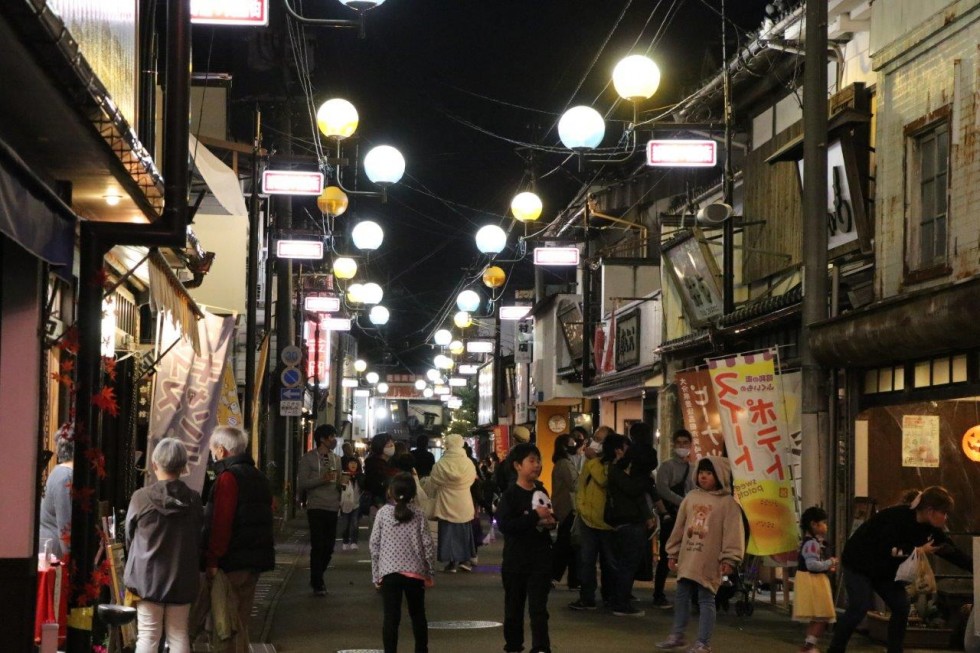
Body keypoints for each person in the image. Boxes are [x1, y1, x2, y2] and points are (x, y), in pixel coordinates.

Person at [828, 486, 972, 653]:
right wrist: (918, 550)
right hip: (859, 562)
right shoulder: (897, 518)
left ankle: (895, 651)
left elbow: (950, 551)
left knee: (901, 606)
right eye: (944, 513)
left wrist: (973, 566)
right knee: (859, 606)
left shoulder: (931, 529)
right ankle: (835, 649)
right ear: (930, 511)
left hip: (885, 570)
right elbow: (888, 548)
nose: (946, 518)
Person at [657, 456, 745, 653]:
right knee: (681, 595)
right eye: (701, 473)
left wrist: (730, 558)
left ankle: (703, 642)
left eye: (709, 473)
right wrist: (673, 552)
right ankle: (677, 635)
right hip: (689, 556)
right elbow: (680, 526)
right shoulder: (691, 498)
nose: (703, 477)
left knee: (706, 598)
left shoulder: (728, 503)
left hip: (710, 559)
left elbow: (733, 532)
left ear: (720, 476)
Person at [124, 438, 203, 653]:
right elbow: (198, 536)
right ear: (184, 466)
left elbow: (129, 537)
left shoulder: (141, 498)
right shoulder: (194, 500)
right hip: (182, 576)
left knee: (148, 635)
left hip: (147, 577)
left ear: (154, 463)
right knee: (179, 635)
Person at [204, 426, 275, 653]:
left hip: (231, 561)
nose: (213, 455)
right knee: (241, 622)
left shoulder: (228, 478)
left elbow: (221, 522)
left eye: (214, 450)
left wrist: (213, 560)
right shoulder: (259, 476)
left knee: (225, 625)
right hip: (254, 560)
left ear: (222, 451)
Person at [496, 443, 557, 653]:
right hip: (516, 560)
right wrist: (534, 517)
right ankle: (513, 646)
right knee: (514, 608)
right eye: (531, 461)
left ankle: (541, 647)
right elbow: (505, 526)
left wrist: (550, 522)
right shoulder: (510, 494)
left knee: (539, 608)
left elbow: (549, 514)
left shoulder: (541, 490)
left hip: (540, 558)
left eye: (538, 460)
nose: (537, 465)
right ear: (517, 466)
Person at [370, 473, 436, 653]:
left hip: (389, 573)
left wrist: (376, 575)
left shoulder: (383, 513)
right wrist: (429, 572)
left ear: (390, 492)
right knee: (418, 616)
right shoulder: (419, 514)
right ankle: (421, 650)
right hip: (415, 573)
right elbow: (427, 545)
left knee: (391, 618)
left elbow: (374, 544)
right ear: (413, 494)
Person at [604, 433, 656, 617]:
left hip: (627, 522)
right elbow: (634, 492)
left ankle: (618, 599)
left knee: (625, 565)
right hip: (628, 523)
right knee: (627, 565)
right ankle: (620, 602)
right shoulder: (625, 474)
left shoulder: (624, 472)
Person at [568, 430, 617, 611]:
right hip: (587, 517)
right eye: (595, 438)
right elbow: (581, 485)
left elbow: (603, 480)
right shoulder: (589, 461)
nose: (595, 443)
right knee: (586, 561)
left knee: (608, 562)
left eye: (599, 440)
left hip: (606, 520)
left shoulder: (610, 462)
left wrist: (594, 459)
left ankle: (610, 597)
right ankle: (587, 597)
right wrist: (580, 507)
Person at [298, 424, 344, 595]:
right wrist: (322, 479)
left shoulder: (336, 459)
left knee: (329, 546)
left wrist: (343, 483)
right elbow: (303, 484)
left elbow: (338, 481)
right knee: (318, 545)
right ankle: (317, 582)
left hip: (333, 506)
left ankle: (317, 576)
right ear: (322, 439)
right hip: (316, 506)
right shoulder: (308, 459)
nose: (333, 440)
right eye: (331, 437)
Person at [425, 433, 478, 572]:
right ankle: (465, 560)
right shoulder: (468, 463)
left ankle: (451, 562)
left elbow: (434, 479)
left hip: (446, 502)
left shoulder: (441, 464)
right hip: (464, 502)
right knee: (464, 531)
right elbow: (472, 479)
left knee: (448, 532)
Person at [653, 429, 694, 608]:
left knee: (691, 555)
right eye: (679, 443)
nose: (682, 446)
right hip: (672, 515)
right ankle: (658, 593)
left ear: (691, 445)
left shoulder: (694, 467)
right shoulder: (667, 466)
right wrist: (684, 502)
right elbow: (662, 490)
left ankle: (688, 595)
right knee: (667, 553)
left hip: (690, 516)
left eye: (685, 443)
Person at [793, 506, 838, 652]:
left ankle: (809, 646)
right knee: (822, 616)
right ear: (814, 524)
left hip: (811, 580)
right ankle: (808, 646)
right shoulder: (812, 543)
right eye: (823, 522)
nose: (826, 526)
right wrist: (829, 562)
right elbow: (812, 565)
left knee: (817, 617)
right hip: (813, 582)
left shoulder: (810, 542)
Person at [39, 426, 74, 560]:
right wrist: (70, 557)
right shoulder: (64, 476)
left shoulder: (61, 472)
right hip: (54, 551)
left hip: (54, 547)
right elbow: (65, 525)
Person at [550, 434, 579, 591]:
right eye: (572, 443)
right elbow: (575, 485)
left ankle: (573, 580)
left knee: (570, 546)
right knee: (565, 545)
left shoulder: (562, 463)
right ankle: (553, 576)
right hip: (569, 508)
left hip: (565, 508)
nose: (575, 445)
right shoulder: (565, 464)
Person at [364, 433, 397, 510]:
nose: (392, 446)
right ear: (380, 446)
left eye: (392, 443)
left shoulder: (390, 462)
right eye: (388, 444)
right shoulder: (374, 465)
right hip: (378, 505)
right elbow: (375, 488)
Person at [339, 454, 364, 551]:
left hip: (356, 503)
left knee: (355, 523)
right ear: (347, 464)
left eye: (355, 463)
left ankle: (354, 542)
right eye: (351, 463)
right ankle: (345, 541)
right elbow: (340, 489)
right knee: (345, 524)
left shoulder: (360, 476)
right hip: (345, 503)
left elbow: (363, 488)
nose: (353, 465)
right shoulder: (344, 475)